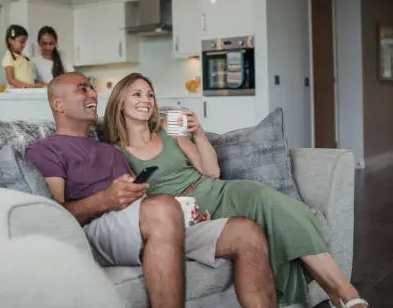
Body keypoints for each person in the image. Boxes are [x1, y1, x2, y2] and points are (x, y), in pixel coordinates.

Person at [102, 72, 369, 308]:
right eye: (136, 94)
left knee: (269, 200)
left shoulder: (166, 129)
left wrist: (198, 133)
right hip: (187, 213)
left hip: (216, 190)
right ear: (120, 102)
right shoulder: (116, 153)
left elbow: (211, 172)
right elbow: (140, 206)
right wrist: (184, 217)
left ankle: (345, 292)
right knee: (277, 216)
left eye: (149, 94)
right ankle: (343, 295)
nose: (145, 100)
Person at [25, 72, 278, 308]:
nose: (93, 94)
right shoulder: (45, 150)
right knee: (162, 207)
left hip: (143, 223)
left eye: (92, 89)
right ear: (58, 105)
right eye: (83, 90)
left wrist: (184, 215)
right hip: (94, 229)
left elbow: (143, 202)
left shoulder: (110, 151)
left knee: (246, 232)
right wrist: (105, 200)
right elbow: (54, 216)